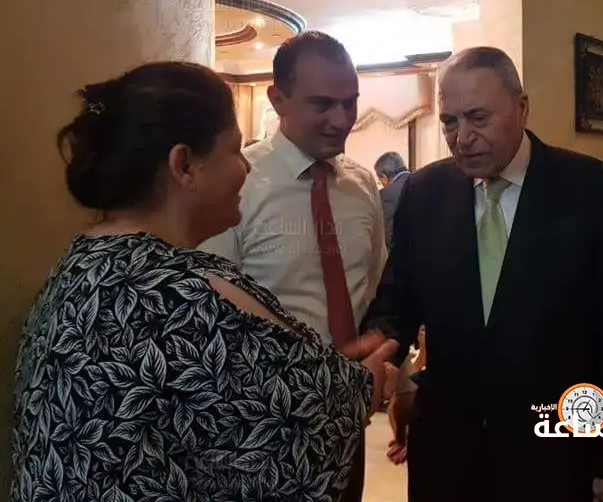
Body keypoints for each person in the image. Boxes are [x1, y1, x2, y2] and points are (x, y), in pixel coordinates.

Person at [10, 61, 397, 502]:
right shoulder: (191, 296)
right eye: (233, 151)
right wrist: (366, 382)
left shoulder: (79, 263)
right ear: (185, 166)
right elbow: (318, 417)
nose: (245, 168)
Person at [361, 46, 603, 502]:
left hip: (554, 454)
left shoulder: (589, 188)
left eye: (478, 118)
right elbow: (399, 300)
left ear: (521, 107)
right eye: (450, 122)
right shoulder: (425, 192)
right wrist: (383, 349)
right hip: (447, 456)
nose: (462, 138)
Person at [201, 32, 388, 502]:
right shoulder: (236, 184)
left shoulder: (362, 184)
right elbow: (213, 315)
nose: (341, 120)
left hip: (348, 416)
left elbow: (375, 285)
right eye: (322, 104)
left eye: (350, 103)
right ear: (277, 99)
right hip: (263, 426)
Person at [374, 150, 411, 249]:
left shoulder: (384, 196)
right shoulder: (424, 181)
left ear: (383, 176)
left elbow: (389, 237)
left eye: (379, 180)